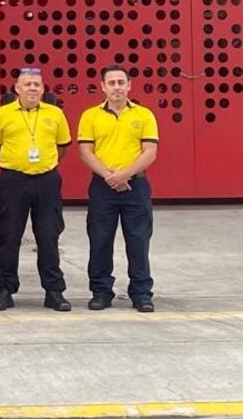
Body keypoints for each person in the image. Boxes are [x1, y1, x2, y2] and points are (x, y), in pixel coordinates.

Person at [0, 67, 73, 312]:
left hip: (46, 180)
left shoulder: (55, 114)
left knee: (48, 236)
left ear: (43, 89)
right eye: (27, 84)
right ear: (17, 89)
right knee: (9, 235)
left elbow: (62, 147)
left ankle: (54, 291)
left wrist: (45, 164)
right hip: (13, 181)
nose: (33, 88)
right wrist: (15, 164)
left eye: (37, 84)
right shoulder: (3, 114)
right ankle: (4, 289)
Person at [78, 65, 159, 313]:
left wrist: (126, 174)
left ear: (129, 85)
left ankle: (141, 293)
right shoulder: (90, 116)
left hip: (136, 186)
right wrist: (109, 176)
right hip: (103, 187)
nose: (116, 87)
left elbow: (150, 151)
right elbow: (85, 151)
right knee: (100, 240)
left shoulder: (144, 115)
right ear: (102, 86)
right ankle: (101, 292)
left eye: (120, 82)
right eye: (111, 82)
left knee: (138, 240)